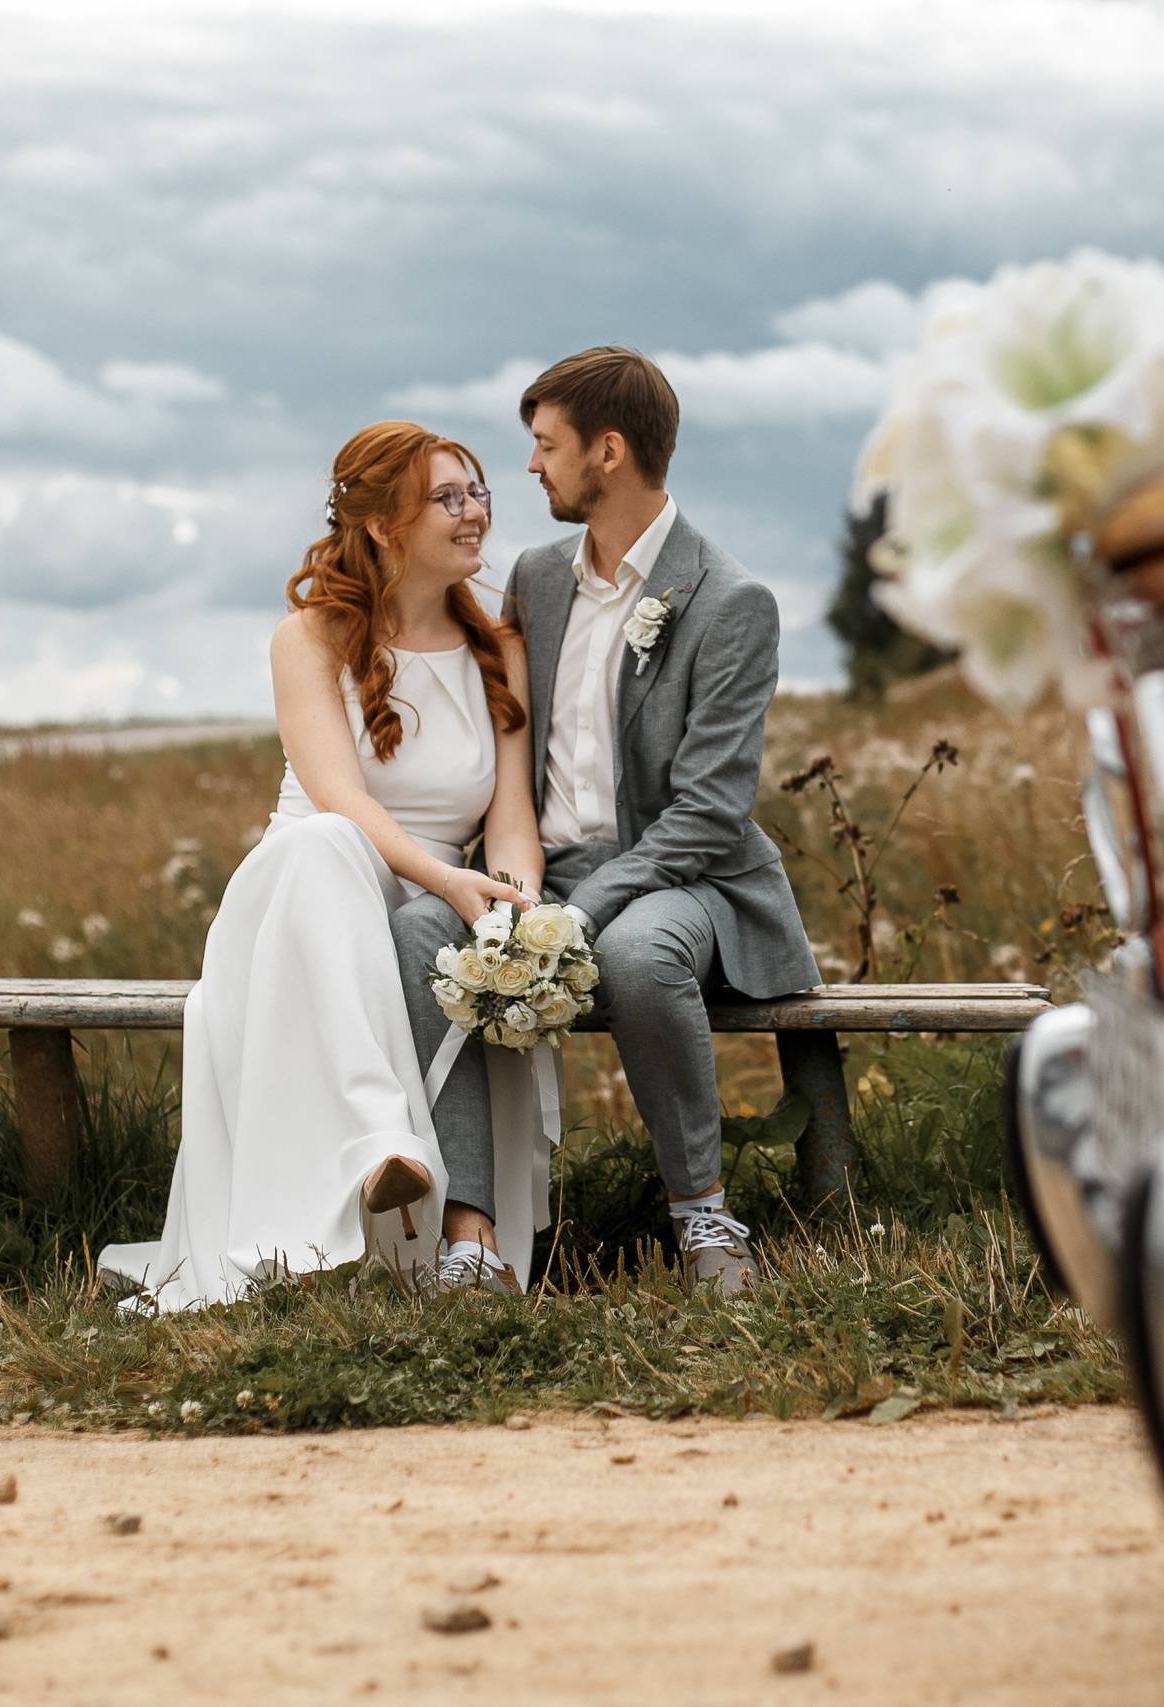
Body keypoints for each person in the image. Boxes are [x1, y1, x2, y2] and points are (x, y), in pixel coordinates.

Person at [99, 421, 554, 1311]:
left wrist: (517, 906)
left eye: (480, 493)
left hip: (417, 907)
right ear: (384, 524)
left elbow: (512, 822)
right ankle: (380, 1139)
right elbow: (342, 797)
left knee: (415, 909)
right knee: (326, 843)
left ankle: (406, 1178)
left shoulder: (498, 648)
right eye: (449, 499)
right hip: (297, 906)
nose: (477, 515)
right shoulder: (308, 638)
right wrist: (447, 878)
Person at [390, 347, 817, 1296]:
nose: (532, 467)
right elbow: (510, 742)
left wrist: (582, 913)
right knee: (422, 928)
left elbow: (710, 813)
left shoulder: (729, 601)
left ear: (609, 451)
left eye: (546, 445)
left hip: (686, 879)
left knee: (634, 955)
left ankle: (702, 1215)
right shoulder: (537, 580)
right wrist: (522, 886)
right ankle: (472, 1241)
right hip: (548, 867)